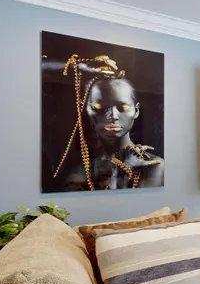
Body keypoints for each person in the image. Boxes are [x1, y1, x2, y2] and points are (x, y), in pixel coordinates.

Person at [46, 54, 164, 191]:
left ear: (136, 111)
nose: (112, 116)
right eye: (100, 108)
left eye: (122, 108)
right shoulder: (77, 168)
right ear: (87, 109)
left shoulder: (152, 165)